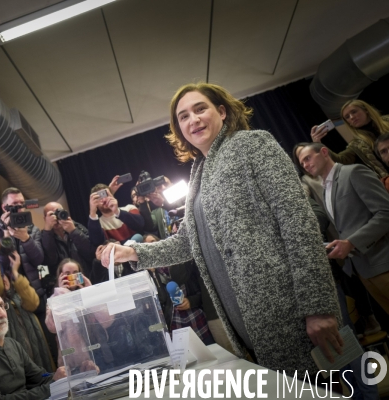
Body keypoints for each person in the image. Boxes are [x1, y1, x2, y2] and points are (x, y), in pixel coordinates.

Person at [101, 82, 341, 375]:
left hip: (288, 313)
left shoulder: (253, 145)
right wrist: (132, 252)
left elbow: (299, 224)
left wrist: (318, 306)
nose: (193, 119)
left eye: (200, 109)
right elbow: (187, 242)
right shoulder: (199, 174)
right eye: (184, 116)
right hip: (247, 325)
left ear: (223, 111)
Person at [297, 142, 389, 314]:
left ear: (324, 152)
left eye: (308, 158)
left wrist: (351, 242)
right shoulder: (326, 190)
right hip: (363, 270)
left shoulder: (353, 172)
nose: (305, 165)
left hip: (383, 262)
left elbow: (385, 212)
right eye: (302, 163)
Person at [0, 237, 54, 372]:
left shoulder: (19, 296)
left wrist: (15, 271)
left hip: (38, 352)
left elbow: (33, 302)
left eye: (3, 275)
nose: (2, 279)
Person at [0, 187, 44, 299]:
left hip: (35, 291)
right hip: (12, 295)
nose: (19, 207)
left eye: (22, 203)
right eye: (15, 204)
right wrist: (6, 236)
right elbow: (0, 268)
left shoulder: (33, 230)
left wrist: (26, 239)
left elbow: (39, 260)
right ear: (4, 207)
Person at [310, 99, 389, 178]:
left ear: (366, 110)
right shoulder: (356, 145)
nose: (351, 117)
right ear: (348, 123)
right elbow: (340, 160)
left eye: (354, 112)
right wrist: (318, 144)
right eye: (347, 117)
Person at [41, 201, 93, 279]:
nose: (56, 217)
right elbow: (51, 260)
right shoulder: (44, 236)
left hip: (85, 276)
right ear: (45, 218)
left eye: (58, 212)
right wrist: (48, 231)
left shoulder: (78, 227)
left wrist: (73, 231)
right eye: (52, 214)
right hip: (63, 281)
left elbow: (90, 253)